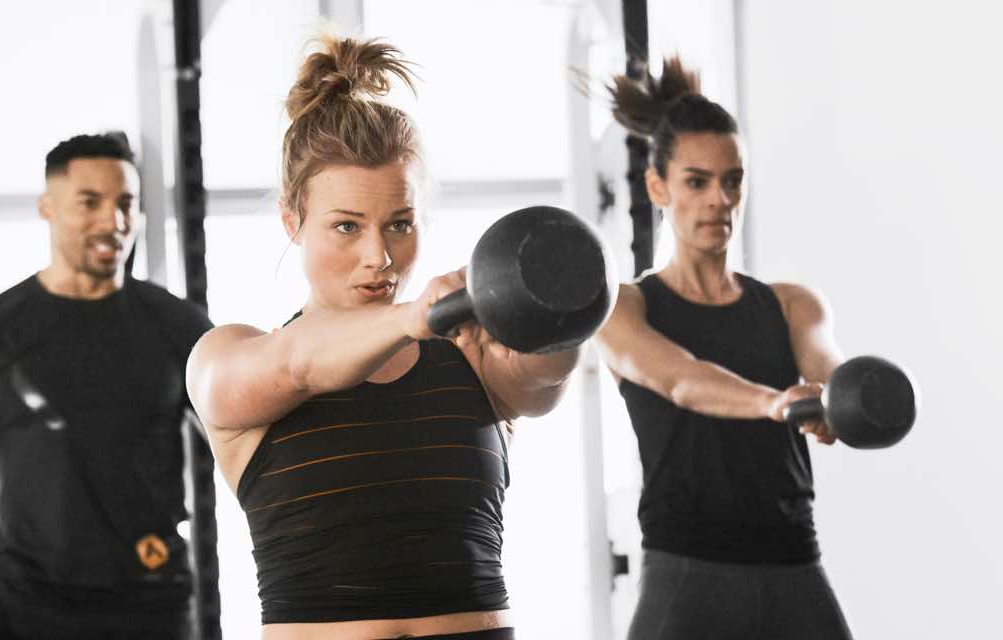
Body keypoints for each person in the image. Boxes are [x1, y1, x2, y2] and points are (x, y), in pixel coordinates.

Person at [187, 35, 597, 640]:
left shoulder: (468, 352)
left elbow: (547, 374)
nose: (378, 257)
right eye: (346, 227)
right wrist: (416, 317)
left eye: (399, 224)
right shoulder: (229, 357)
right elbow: (301, 366)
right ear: (291, 220)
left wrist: (552, 303)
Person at [596, 58, 854, 639]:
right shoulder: (625, 306)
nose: (720, 199)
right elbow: (680, 379)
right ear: (658, 186)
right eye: (697, 181)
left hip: (795, 568)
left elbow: (833, 377)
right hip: (688, 576)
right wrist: (776, 405)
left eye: (733, 180)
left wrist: (842, 405)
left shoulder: (792, 305)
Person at [0, 133, 213, 639]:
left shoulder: (180, 328)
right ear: (47, 208)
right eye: (90, 202)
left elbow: (244, 447)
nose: (114, 222)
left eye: (126, 204)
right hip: (27, 607)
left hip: (153, 604)